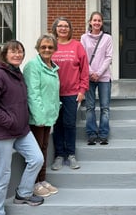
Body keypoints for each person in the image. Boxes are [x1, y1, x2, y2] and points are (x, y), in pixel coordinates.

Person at [0, 40, 45, 214]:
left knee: (37, 158)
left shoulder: (16, 72)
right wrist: (9, 120)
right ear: (5, 54)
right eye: (13, 52)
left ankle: (23, 194)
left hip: (21, 130)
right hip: (1, 134)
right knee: (1, 176)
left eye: (20, 52)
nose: (18, 55)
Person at [23, 34, 60, 197]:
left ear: (55, 50)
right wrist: (39, 117)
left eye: (50, 47)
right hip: (37, 118)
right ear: (38, 48)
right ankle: (34, 183)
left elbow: (52, 93)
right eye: (43, 47)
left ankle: (42, 179)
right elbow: (33, 93)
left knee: (44, 148)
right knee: (36, 152)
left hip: (48, 116)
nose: (47, 49)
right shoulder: (33, 66)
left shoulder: (53, 67)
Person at [50, 17, 89, 170]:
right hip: (53, 94)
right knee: (57, 124)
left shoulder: (77, 46)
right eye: (60, 26)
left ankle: (71, 155)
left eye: (66, 26)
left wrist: (82, 90)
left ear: (70, 29)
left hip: (72, 93)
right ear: (55, 28)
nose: (63, 28)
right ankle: (59, 155)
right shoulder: (51, 46)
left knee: (69, 124)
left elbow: (84, 70)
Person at [81, 11, 113, 145]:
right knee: (90, 106)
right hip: (88, 77)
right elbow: (82, 57)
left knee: (105, 107)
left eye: (99, 20)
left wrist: (98, 73)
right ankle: (92, 134)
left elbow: (108, 57)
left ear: (102, 23)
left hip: (104, 77)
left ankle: (104, 134)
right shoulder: (83, 38)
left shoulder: (107, 38)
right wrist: (91, 72)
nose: (97, 23)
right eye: (94, 20)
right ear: (90, 22)